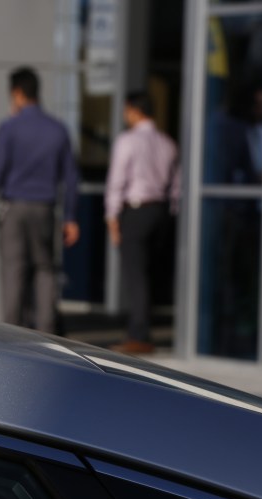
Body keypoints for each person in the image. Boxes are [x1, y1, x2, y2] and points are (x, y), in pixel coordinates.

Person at [0, 67, 79, 334]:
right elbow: (70, 177)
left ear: (17, 93)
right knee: (45, 270)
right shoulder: (58, 129)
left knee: (13, 271)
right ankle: (46, 331)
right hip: (45, 209)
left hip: (14, 209)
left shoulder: (9, 127)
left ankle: (12, 334)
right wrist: (70, 217)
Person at [105, 91, 180, 355]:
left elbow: (117, 181)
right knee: (149, 274)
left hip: (136, 212)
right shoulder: (168, 143)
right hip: (160, 212)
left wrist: (112, 218)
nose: (125, 115)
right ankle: (142, 329)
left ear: (135, 111)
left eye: (127, 110)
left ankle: (139, 334)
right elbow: (177, 186)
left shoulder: (127, 141)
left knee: (135, 275)